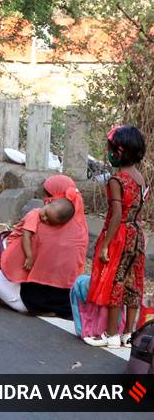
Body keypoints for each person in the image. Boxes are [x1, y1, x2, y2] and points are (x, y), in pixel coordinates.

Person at [0, 178, 87, 317]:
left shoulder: (40, 221)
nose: (45, 199)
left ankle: (11, 299)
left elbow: (13, 256)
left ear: (54, 199)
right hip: (65, 304)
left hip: (27, 301)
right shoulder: (81, 231)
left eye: (48, 195)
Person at [84, 126, 148, 349]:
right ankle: (128, 334)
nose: (107, 152)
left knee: (115, 281)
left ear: (120, 152)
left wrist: (105, 245)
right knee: (133, 283)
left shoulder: (116, 180)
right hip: (137, 234)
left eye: (110, 149)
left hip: (120, 235)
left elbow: (117, 215)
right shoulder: (140, 178)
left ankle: (110, 334)